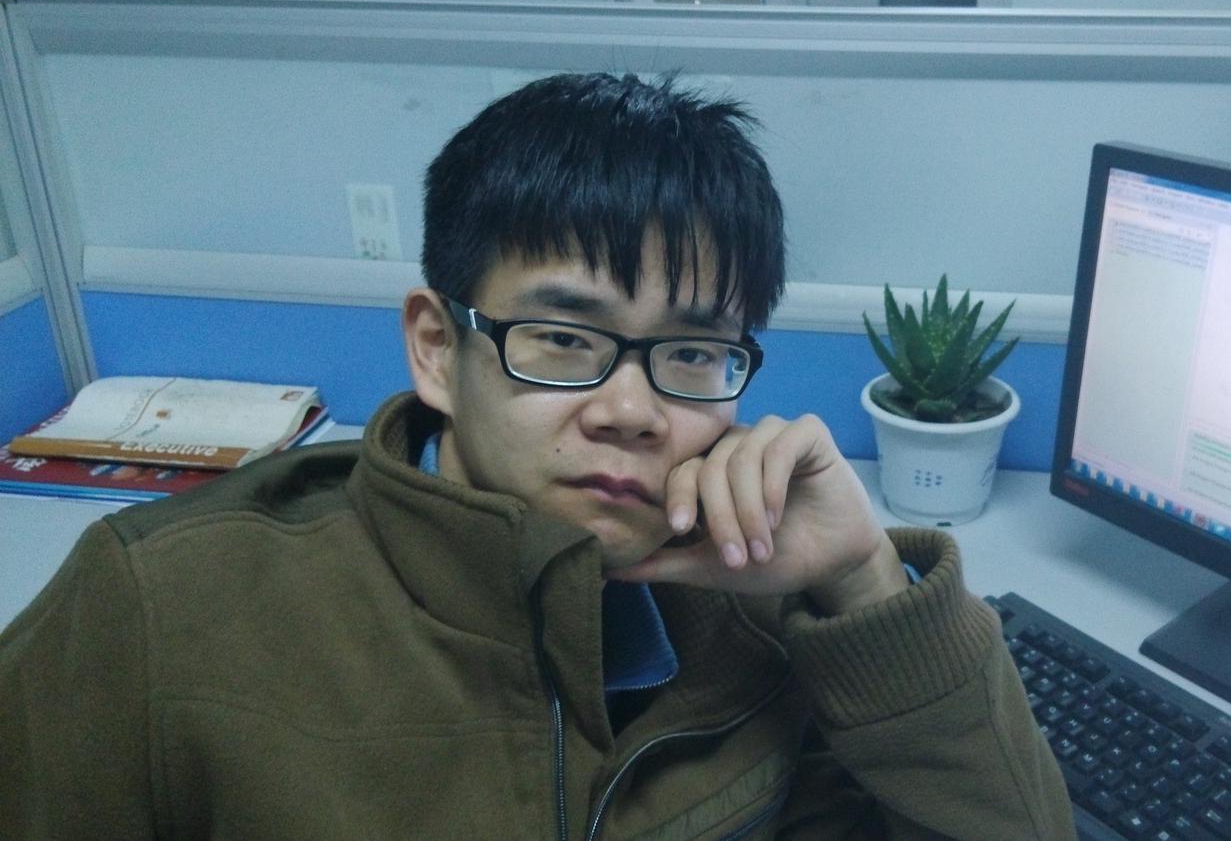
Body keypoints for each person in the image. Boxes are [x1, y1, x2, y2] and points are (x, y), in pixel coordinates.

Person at [0, 72, 1075, 839]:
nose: (632, 411)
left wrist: (865, 583)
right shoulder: (161, 612)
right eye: (563, 338)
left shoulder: (754, 591)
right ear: (437, 348)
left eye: (689, 352)